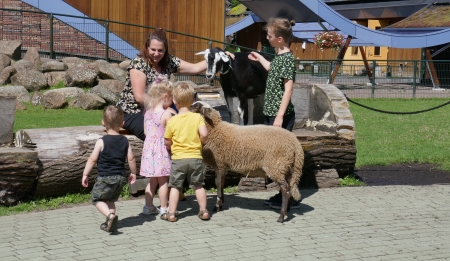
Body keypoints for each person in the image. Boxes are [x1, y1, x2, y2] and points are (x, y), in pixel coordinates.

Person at [117, 28, 206, 201]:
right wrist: (166, 111)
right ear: (146, 47)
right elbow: (140, 96)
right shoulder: (138, 64)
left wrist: (218, 56)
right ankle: (169, 184)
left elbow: (196, 67)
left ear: (165, 50)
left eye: (160, 50)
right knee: (163, 138)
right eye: (153, 49)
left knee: (181, 133)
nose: (156, 53)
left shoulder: (169, 61)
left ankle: (176, 183)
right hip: (134, 111)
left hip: (162, 109)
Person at [247, 17, 300, 210]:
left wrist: (279, 116)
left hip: (281, 116)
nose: (267, 38)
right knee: (276, 157)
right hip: (272, 114)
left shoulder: (287, 59)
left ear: (279, 39)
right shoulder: (279, 56)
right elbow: (271, 68)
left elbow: (288, 90)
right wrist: (259, 58)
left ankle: (288, 197)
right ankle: (282, 194)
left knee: (282, 158)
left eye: (269, 36)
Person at [82, 105, 137, 233]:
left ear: (103, 123)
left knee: (97, 199)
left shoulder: (101, 141)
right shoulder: (125, 141)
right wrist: (133, 173)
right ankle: (109, 223)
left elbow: (92, 159)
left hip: (105, 177)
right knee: (110, 200)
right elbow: (131, 159)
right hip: (120, 178)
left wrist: (85, 174)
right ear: (122, 123)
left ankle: (110, 216)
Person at [162, 82, 209, 222]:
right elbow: (205, 134)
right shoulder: (197, 117)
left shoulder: (172, 120)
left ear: (174, 101)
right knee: (198, 185)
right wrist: (200, 142)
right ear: (193, 100)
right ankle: (203, 211)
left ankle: (171, 213)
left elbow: (167, 140)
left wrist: (170, 147)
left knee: (175, 186)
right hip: (195, 157)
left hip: (178, 159)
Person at [140, 75, 176, 216]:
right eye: (172, 98)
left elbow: (145, 131)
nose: (172, 101)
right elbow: (169, 133)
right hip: (161, 151)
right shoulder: (166, 114)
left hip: (149, 151)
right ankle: (164, 208)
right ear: (166, 96)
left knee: (152, 181)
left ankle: (148, 207)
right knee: (163, 181)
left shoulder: (147, 113)